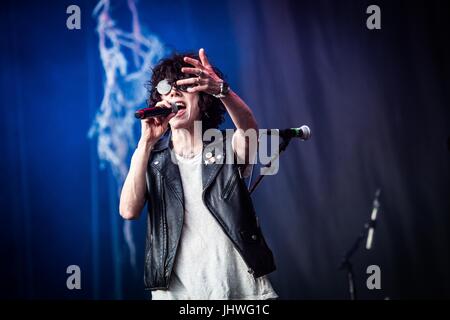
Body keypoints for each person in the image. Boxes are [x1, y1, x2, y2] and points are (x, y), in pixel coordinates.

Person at [119, 48, 277, 300]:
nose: (172, 93)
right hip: (177, 295)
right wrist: (145, 144)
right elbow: (128, 210)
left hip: (240, 293)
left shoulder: (226, 147)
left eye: (184, 86)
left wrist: (221, 90)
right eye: (165, 88)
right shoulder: (151, 158)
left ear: (204, 100)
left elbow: (248, 127)